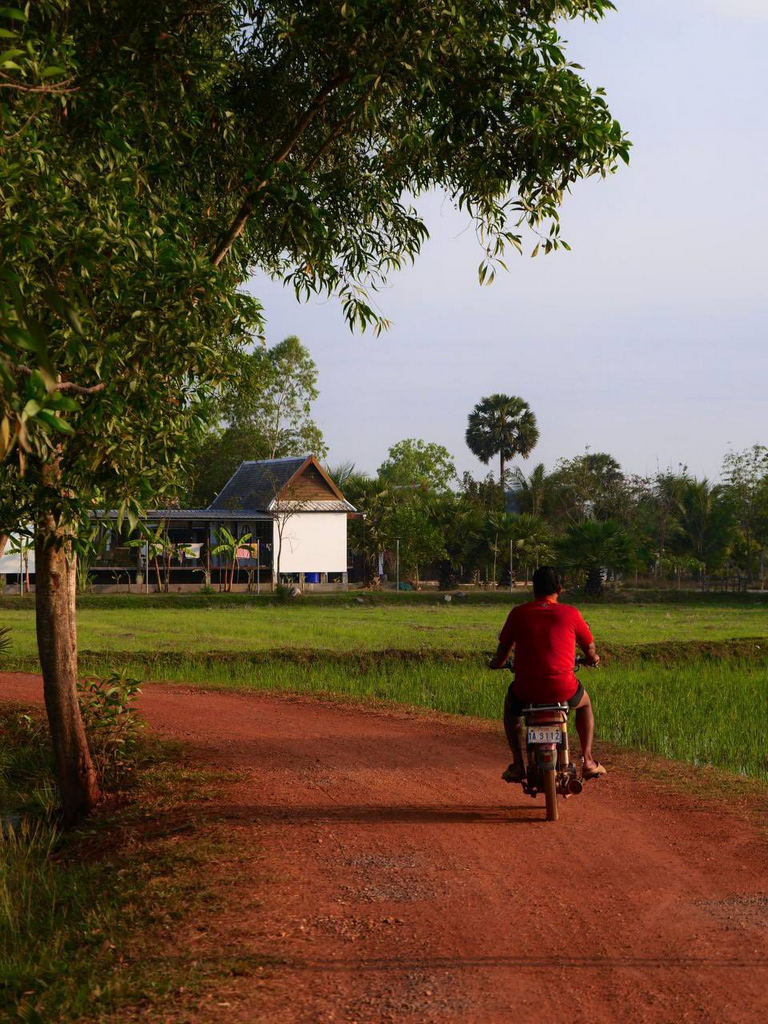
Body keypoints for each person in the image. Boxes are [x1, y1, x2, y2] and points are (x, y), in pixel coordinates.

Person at [489, 565, 606, 782]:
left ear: (533, 589)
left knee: (511, 709)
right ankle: (588, 761)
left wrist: (496, 664)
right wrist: (592, 659)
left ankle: (517, 763)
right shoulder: (571, 613)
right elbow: (590, 649)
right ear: (560, 589)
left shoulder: (518, 613)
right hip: (563, 688)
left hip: (526, 689)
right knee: (586, 704)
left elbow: (503, 651)